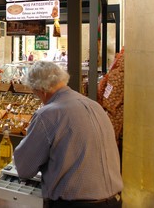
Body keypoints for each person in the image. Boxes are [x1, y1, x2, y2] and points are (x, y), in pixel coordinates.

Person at [13, 61, 123, 208]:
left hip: (76, 204)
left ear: (41, 90)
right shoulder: (94, 106)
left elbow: (25, 168)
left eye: (35, 93)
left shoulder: (47, 114)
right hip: (114, 200)